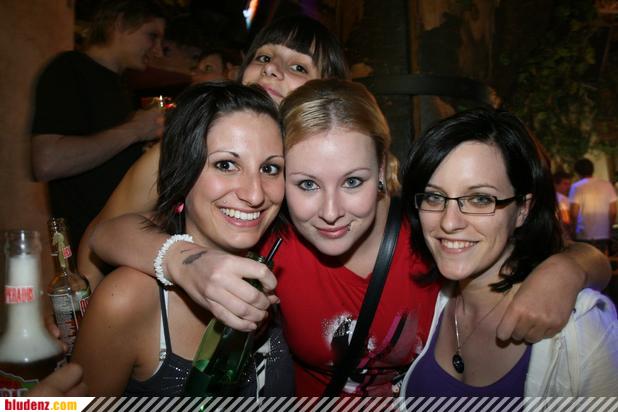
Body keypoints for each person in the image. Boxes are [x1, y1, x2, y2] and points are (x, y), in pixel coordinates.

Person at [89, 80, 611, 396]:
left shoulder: (433, 234)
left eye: (354, 181)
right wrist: (185, 260)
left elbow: (560, 255)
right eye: (306, 184)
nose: (331, 212)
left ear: (384, 170)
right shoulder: (271, 242)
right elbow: (109, 234)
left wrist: (569, 269)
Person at [77, 14, 348, 287]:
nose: (271, 68)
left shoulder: (335, 169)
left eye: (298, 67)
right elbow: (102, 234)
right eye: (264, 57)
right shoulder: (186, 146)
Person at [71, 82, 292, 396]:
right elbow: (102, 234)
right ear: (183, 172)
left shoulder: (282, 263)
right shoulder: (127, 298)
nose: (255, 194)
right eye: (226, 165)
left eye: (270, 168)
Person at [400, 108, 618, 396]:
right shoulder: (425, 302)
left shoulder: (580, 327)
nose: (449, 222)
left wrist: (572, 267)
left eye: (480, 199)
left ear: (522, 210)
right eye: (434, 196)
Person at [30, 0, 166, 248]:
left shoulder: (121, 86)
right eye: (152, 36)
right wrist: (135, 130)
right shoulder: (68, 69)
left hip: (117, 241)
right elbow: (47, 162)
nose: (158, 51)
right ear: (121, 23)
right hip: (85, 246)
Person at [569, 158, 617, 254]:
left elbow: (574, 213)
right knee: (602, 260)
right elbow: (613, 211)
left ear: (577, 172)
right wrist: (609, 229)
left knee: (585, 261)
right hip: (603, 233)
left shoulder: (576, 187)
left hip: (583, 234)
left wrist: (573, 231)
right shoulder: (607, 185)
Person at [553, 171, 572, 236]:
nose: (569, 187)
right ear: (555, 184)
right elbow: (566, 220)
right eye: (565, 184)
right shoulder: (563, 199)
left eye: (569, 184)